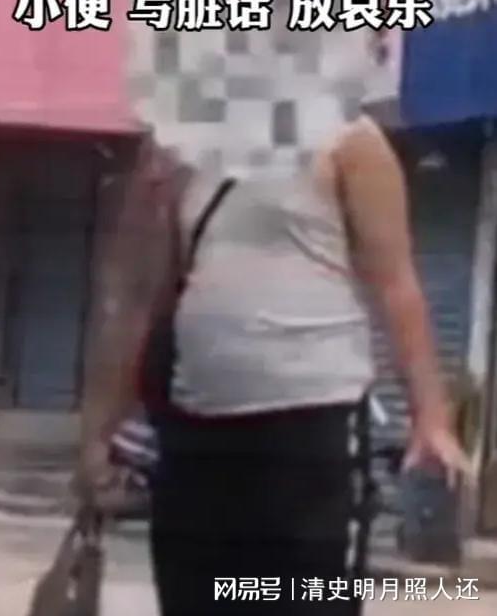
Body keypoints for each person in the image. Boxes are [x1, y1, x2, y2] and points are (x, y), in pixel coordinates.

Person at [77, 114, 471, 615]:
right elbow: (139, 298)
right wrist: (98, 434)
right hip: (197, 435)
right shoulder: (178, 141)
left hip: (312, 434)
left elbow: (396, 282)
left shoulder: (350, 139)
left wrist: (431, 417)